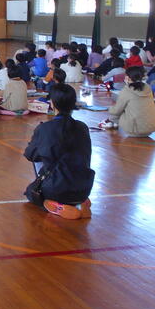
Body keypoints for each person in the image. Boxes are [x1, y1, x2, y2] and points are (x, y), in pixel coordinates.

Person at [23, 84, 94, 219]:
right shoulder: (82, 127)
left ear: (52, 103)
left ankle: (58, 204)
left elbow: (30, 155)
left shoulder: (45, 129)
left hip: (56, 188)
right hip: (85, 186)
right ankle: (80, 202)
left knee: (32, 193)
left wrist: (38, 140)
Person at [100, 67, 155, 136]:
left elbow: (117, 110)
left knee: (118, 110)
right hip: (150, 129)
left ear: (128, 77)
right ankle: (113, 122)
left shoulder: (127, 90)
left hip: (133, 130)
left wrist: (109, 110)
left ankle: (110, 122)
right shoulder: (148, 87)